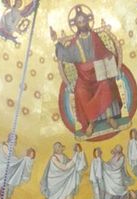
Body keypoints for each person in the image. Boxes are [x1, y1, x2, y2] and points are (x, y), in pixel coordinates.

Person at [51, 6, 122, 135]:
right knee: (80, 91)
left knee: (105, 84)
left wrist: (109, 58)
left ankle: (109, 117)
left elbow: (103, 51)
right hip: (83, 78)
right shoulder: (75, 42)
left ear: (87, 22)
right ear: (76, 25)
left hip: (98, 74)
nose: (82, 24)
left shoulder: (94, 36)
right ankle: (91, 123)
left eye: (83, 21)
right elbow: (66, 55)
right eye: (79, 22)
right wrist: (56, 41)